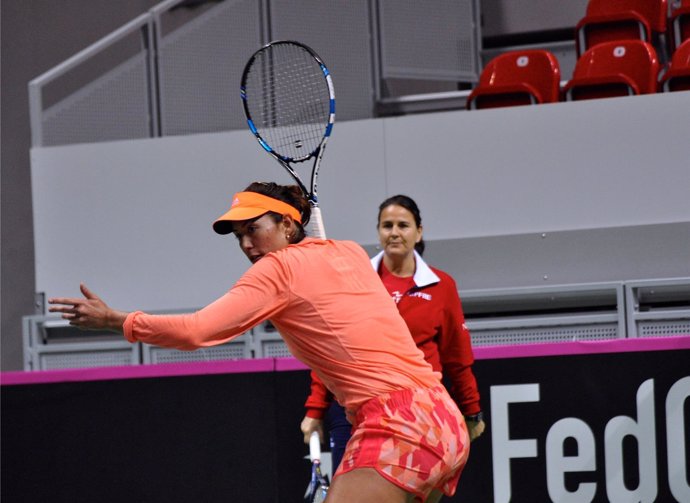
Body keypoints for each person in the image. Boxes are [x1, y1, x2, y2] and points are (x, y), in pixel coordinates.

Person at [48, 182, 470, 503]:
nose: (248, 244)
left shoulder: (276, 270)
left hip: (399, 430)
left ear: (287, 223)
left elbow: (197, 330)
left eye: (255, 229)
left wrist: (117, 321)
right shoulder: (350, 252)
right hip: (443, 419)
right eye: (239, 236)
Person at [301, 195, 485, 473]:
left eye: (403, 225)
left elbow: (457, 356)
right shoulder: (353, 277)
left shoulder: (442, 286)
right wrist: (315, 410)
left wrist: (471, 410)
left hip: (421, 411)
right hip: (357, 408)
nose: (395, 233)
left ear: (419, 231)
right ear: (378, 231)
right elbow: (334, 350)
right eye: (387, 225)